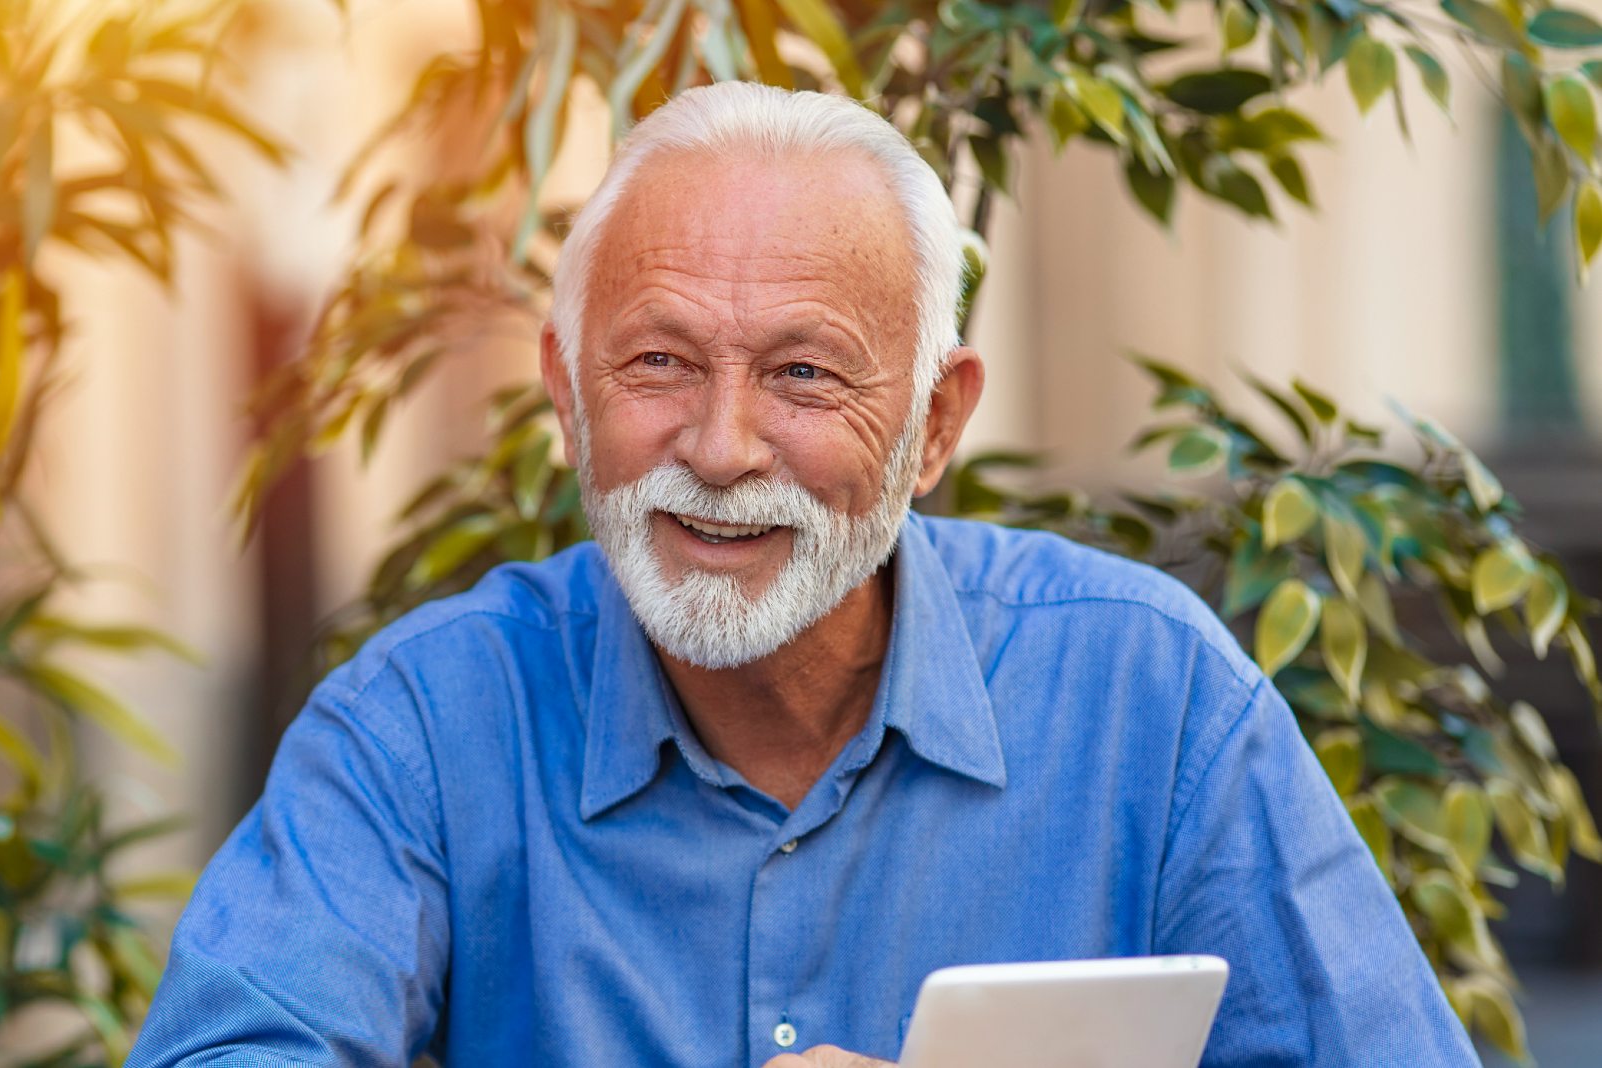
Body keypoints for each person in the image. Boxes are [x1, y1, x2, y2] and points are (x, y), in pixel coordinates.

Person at [128, 82, 1479, 1067]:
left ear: (936, 426)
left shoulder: (1150, 697)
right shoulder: (426, 724)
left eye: (803, 375)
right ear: (567, 396)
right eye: (657, 363)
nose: (719, 450)